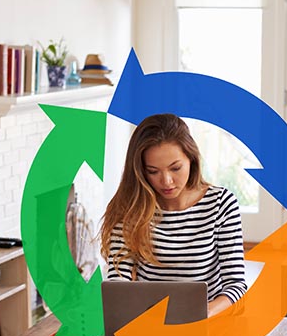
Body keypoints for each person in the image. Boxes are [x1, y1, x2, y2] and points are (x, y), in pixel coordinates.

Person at [100, 113, 247, 316]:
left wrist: (200, 314)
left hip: (208, 324)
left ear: (191, 159)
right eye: (153, 171)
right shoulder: (130, 208)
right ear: (141, 171)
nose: (167, 181)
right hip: (149, 324)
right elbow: (118, 282)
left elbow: (235, 285)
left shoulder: (220, 204)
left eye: (175, 168)